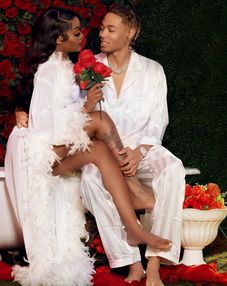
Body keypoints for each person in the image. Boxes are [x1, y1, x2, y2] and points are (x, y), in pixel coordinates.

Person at [5, 7, 171, 286]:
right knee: (102, 121)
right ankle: (133, 190)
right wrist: (86, 108)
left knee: (101, 150)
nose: (85, 36)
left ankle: (132, 228)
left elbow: (59, 110)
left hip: (59, 149)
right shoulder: (49, 71)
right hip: (41, 154)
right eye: (77, 32)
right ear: (58, 39)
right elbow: (44, 128)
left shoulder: (66, 66)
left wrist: (83, 107)